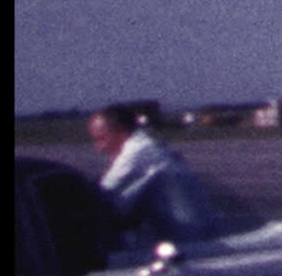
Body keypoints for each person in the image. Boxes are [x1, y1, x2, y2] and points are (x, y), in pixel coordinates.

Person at [86, 104, 222, 247]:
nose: (98, 148)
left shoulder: (137, 152)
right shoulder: (150, 147)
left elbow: (102, 193)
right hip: (197, 236)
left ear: (121, 132)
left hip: (192, 244)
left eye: (101, 139)